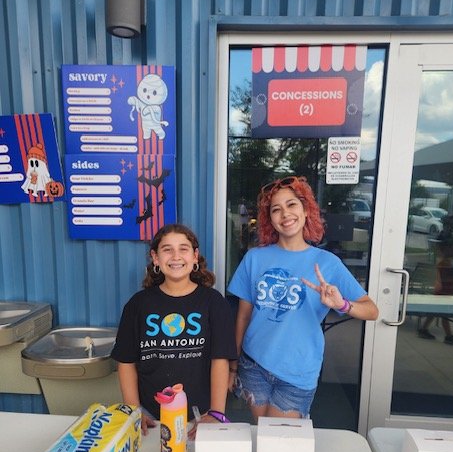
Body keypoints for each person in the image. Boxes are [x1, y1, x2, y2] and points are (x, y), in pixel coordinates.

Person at [227, 176, 378, 421]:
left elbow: (372, 311)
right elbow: (243, 316)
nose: (285, 214)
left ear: (306, 210)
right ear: (270, 219)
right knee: (263, 434)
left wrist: (342, 304)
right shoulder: (254, 258)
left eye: (292, 205)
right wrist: (232, 365)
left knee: (281, 441)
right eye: (276, 209)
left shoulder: (327, 263)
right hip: (253, 364)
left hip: (298, 369)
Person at [111, 223, 237, 434]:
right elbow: (126, 361)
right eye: (167, 249)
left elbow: (220, 360)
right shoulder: (138, 304)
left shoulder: (214, 303)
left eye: (184, 249)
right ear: (156, 258)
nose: (176, 256)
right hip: (151, 418)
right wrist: (134, 410)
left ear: (195, 256)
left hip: (200, 416)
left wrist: (216, 413)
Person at [418, 215, 453, 346]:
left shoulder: (448, 236)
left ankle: (424, 328)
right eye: (451, 223)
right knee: (444, 306)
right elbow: (440, 257)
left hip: (448, 272)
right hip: (445, 272)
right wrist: (438, 280)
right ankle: (448, 335)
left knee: (440, 305)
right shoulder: (445, 237)